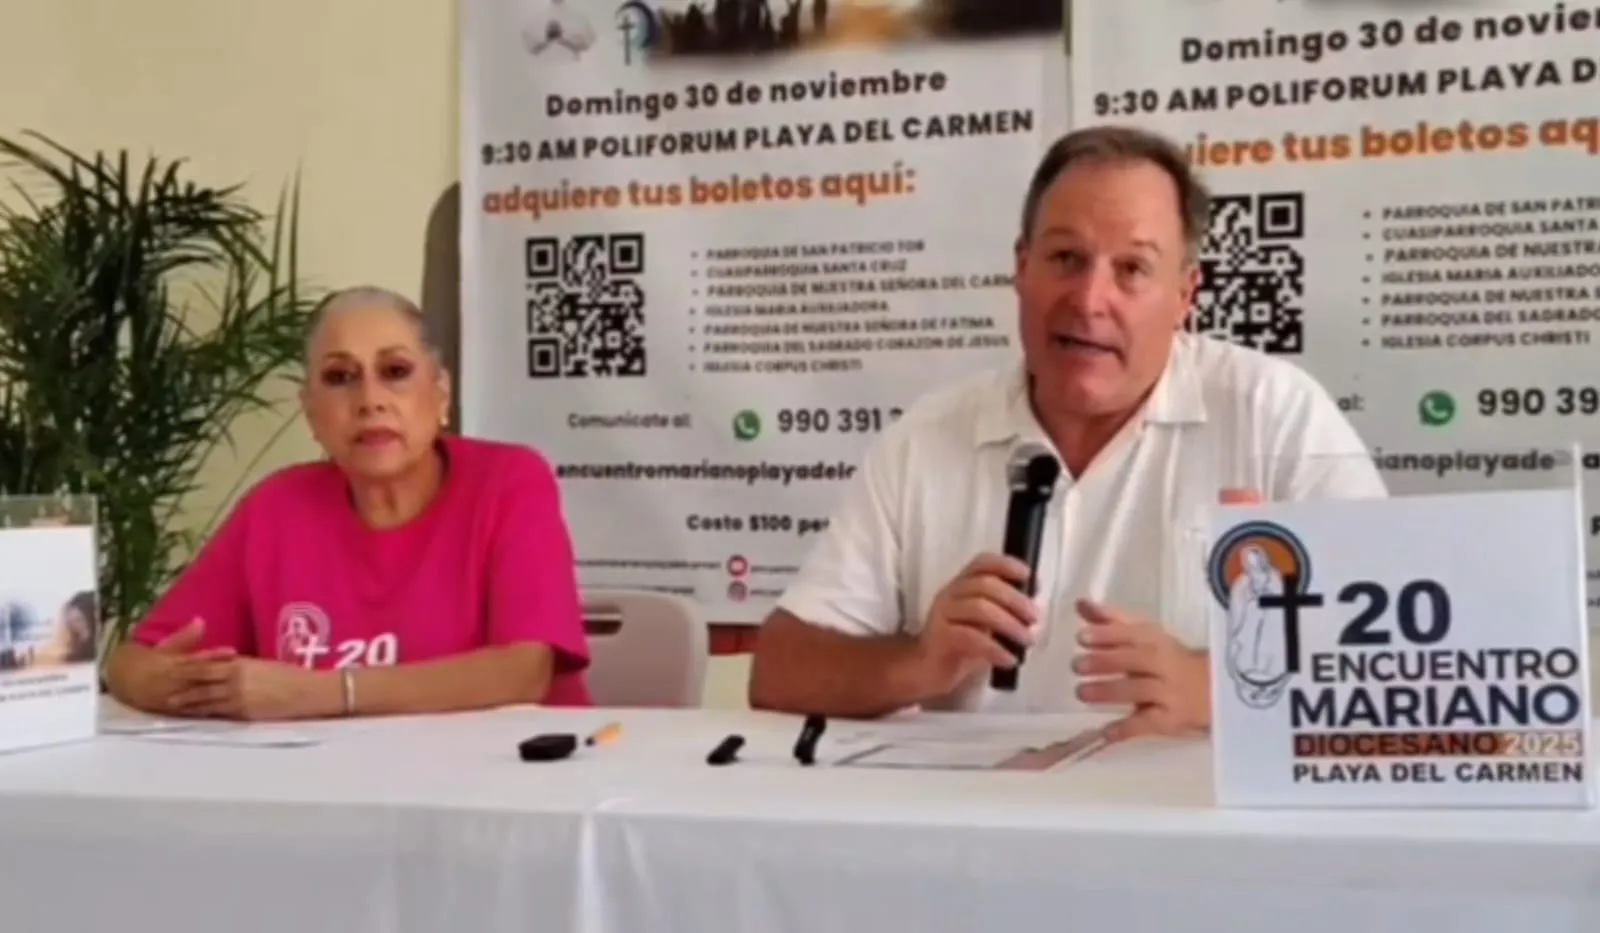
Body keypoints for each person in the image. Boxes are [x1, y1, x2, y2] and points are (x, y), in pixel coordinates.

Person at [747, 125, 1385, 740]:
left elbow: (1408, 656)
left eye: (1132, 268)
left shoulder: (1273, 414)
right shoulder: (925, 439)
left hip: (1187, 828)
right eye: (1065, 258)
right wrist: (917, 663)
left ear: (1186, 293)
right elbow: (779, 670)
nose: (1088, 299)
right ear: (1021, 269)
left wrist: (1216, 688)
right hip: (975, 829)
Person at [105, 286, 591, 720]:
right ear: (311, 413)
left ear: (441, 394)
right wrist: (159, 683)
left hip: (510, 788)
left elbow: (523, 671)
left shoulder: (508, 481)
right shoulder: (276, 508)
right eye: (340, 378)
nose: (370, 400)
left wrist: (319, 693)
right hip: (328, 793)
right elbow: (132, 658)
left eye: (395, 372)